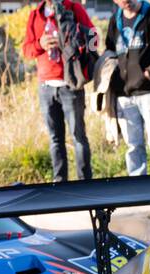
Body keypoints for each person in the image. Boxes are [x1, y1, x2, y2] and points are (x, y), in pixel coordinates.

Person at [22, 0, 97, 182]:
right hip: (46, 86)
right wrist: (40, 43)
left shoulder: (73, 8)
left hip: (70, 83)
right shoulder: (35, 14)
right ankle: (60, 182)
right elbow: (27, 49)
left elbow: (93, 35)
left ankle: (85, 183)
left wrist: (78, 46)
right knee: (55, 139)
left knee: (78, 136)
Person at [107, 0, 150, 176]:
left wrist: (149, 73)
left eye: (129, 1)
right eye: (122, 1)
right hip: (124, 93)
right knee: (133, 145)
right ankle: (138, 185)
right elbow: (110, 52)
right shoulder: (115, 19)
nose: (126, 3)